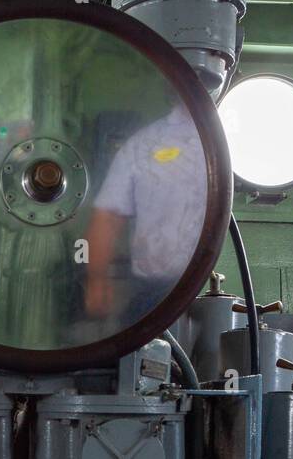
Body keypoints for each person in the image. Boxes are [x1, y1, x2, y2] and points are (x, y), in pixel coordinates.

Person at [84, 102, 208, 319]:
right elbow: (108, 216)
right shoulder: (145, 143)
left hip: (210, 294)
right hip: (153, 294)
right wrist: (97, 280)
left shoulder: (230, 135)